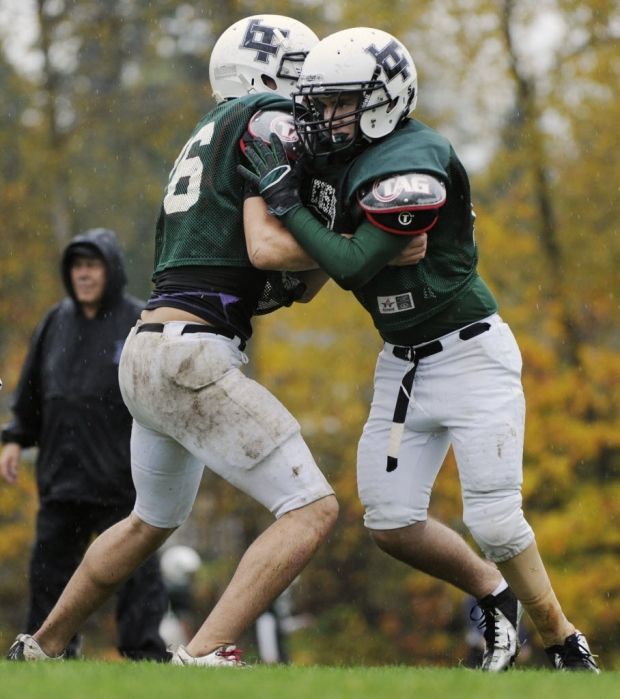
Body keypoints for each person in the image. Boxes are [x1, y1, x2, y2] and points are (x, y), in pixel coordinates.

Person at [239, 27, 600, 672]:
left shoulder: (415, 156)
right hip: (401, 361)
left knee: (493, 521)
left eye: (337, 103)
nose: (323, 118)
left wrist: (291, 209)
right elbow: (335, 245)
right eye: (318, 103)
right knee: (388, 522)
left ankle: (564, 642)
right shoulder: (341, 158)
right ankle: (495, 598)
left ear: (382, 98)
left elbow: (350, 266)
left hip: (469, 356)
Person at [5, 14, 341, 667]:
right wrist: (353, 238)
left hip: (147, 349)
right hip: (194, 351)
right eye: (303, 75)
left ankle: (40, 645)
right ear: (269, 72)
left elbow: (276, 279)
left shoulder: (205, 134)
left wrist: (324, 254)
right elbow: (269, 253)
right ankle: (207, 648)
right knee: (311, 506)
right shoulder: (266, 117)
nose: (313, 97)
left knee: (147, 520)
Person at [0, 228, 168, 661]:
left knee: (136, 575)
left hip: (122, 483)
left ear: (109, 270)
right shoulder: (55, 322)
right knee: (48, 575)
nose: (84, 274)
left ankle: (144, 655)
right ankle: (45, 651)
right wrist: (15, 439)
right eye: (77, 266)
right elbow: (31, 393)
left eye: (92, 265)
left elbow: (161, 395)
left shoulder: (140, 322)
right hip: (62, 481)